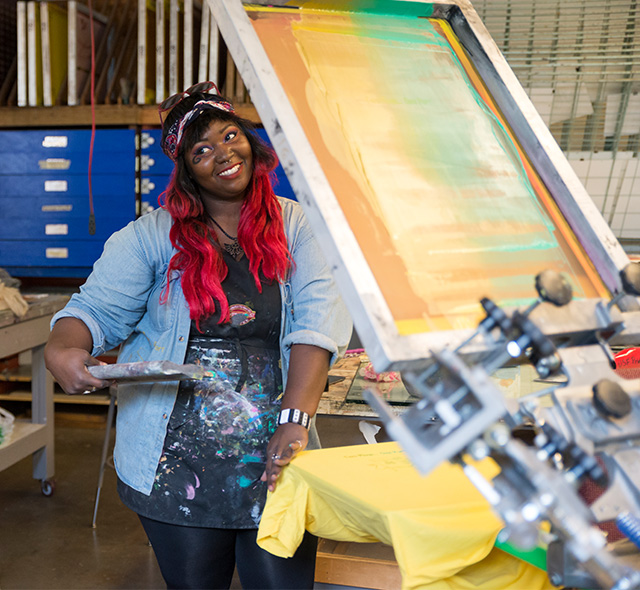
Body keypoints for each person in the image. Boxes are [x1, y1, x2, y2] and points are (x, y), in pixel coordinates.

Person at [44, 81, 352, 590]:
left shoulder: (299, 227)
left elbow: (315, 328)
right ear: (186, 168)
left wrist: (295, 420)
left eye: (231, 136)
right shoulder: (150, 237)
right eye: (202, 149)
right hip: (175, 461)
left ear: (252, 141)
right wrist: (63, 347)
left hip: (278, 451)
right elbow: (93, 311)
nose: (223, 154)